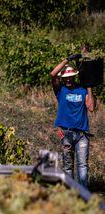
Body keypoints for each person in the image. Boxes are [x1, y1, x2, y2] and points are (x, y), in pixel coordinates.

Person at [50, 54, 95, 187]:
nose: (68, 80)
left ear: (74, 76)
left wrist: (89, 85)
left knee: (82, 165)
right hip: (66, 133)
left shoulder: (82, 90)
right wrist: (67, 60)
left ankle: (83, 194)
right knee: (68, 166)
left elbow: (91, 107)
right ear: (63, 79)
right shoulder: (60, 90)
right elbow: (53, 74)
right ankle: (69, 193)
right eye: (66, 77)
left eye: (70, 77)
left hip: (82, 134)